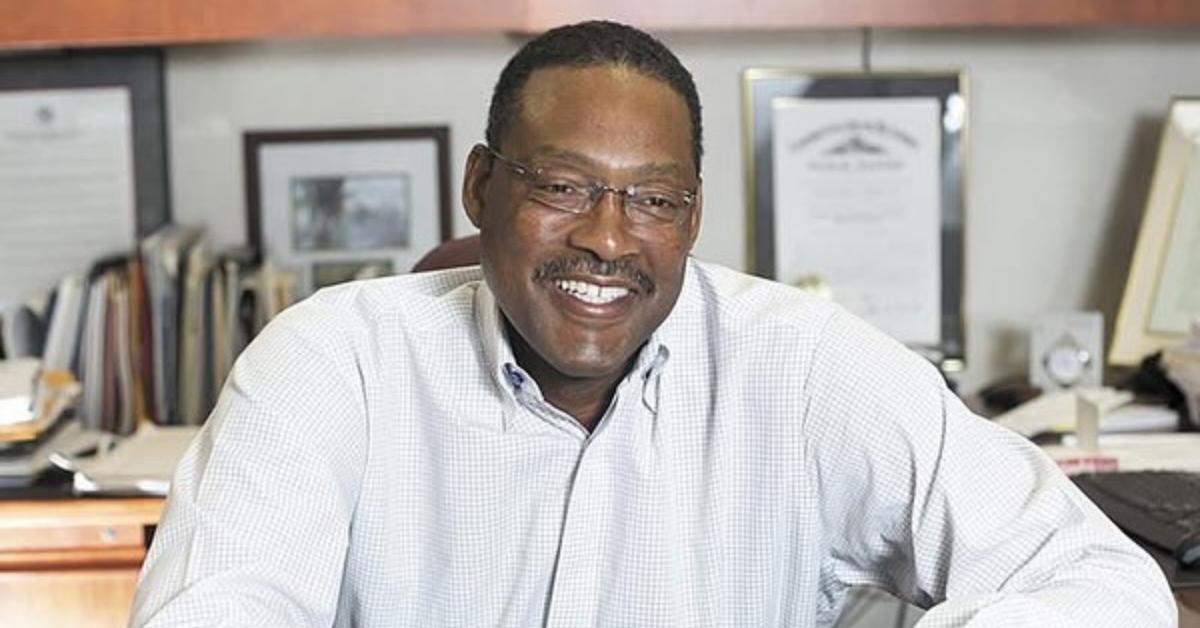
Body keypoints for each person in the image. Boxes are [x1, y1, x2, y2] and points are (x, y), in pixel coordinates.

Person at [131, 20, 1174, 628]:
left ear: (693, 216)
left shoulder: (800, 366)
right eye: (563, 186)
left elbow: (1100, 584)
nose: (608, 238)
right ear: (481, 187)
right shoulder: (332, 361)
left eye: (654, 200)